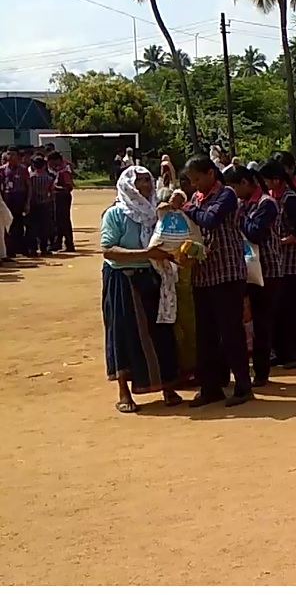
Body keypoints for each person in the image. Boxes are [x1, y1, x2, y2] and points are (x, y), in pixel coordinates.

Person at [101, 166, 183, 413]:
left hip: (153, 276)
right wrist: (146, 253)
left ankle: (168, 387)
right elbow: (108, 249)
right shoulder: (115, 214)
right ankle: (124, 393)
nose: (146, 185)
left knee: (161, 331)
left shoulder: (156, 212)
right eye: (140, 181)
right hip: (123, 280)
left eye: (148, 180)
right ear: (128, 185)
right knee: (124, 334)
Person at [182, 156, 253, 407]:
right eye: (191, 181)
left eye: (197, 179)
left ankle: (243, 385)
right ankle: (210, 386)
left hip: (227, 273)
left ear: (211, 174)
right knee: (206, 335)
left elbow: (210, 219)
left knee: (231, 333)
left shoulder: (227, 195)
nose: (194, 185)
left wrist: (186, 207)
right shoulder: (196, 200)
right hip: (203, 275)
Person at [256, 161, 296, 370]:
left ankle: (292, 354)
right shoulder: (273, 198)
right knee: (279, 310)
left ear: (276, 179)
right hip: (278, 260)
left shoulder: (291, 199)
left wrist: (283, 241)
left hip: (291, 260)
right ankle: (281, 352)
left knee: (290, 308)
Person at [229, 166, 278, 387]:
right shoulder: (243, 204)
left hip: (266, 270)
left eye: (235, 187)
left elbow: (256, 232)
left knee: (262, 322)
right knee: (243, 320)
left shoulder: (266, 204)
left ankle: (261, 371)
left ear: (245, 183)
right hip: (244, 269)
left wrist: (238, 218)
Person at [26, 154, 55, 256]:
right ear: (44, 165)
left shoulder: (30, 178)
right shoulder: (49, 178)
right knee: (44, 228)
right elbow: (51, 192)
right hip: (45, 204)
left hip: (33, 204)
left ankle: (32, 249)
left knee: (32, 228)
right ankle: (44, 248)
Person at [48, 150, 75, 253]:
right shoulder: (58, 170)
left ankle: (69, 244)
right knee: (58, 221)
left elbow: (69, 187)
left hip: (63, 197)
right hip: (58, 197)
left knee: (64, 221)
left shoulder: (64, 171)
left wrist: (55, 188)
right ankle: (58, 242)